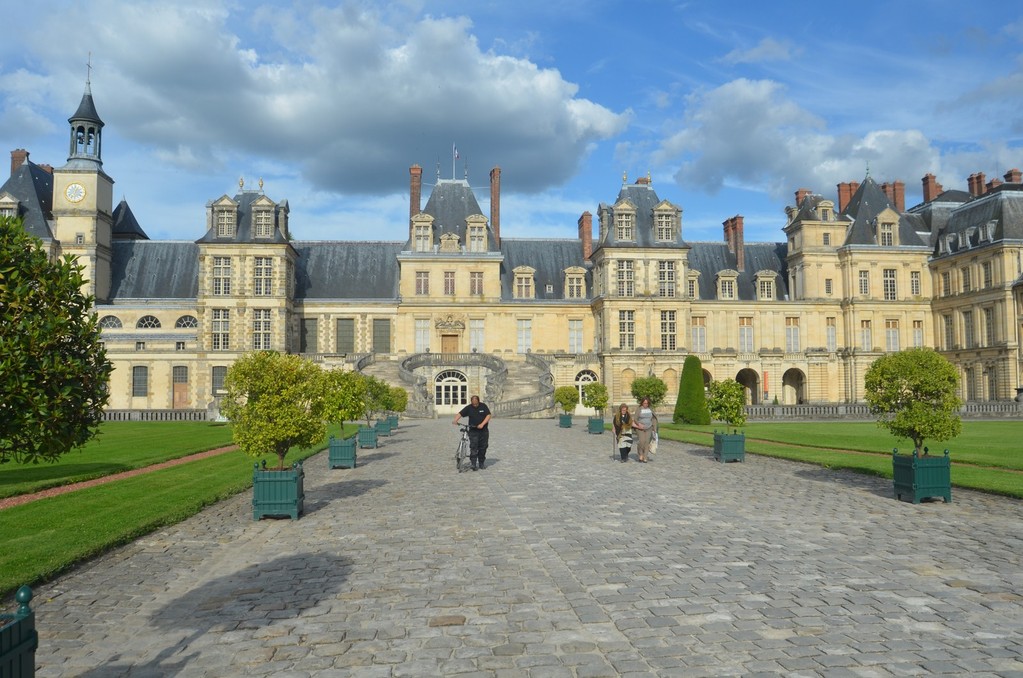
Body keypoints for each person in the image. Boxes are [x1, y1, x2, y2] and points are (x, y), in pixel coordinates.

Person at [453, 395, 492, 470]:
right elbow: (460, 414)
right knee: (473, 447)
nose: (475, 405)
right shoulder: (469, 407)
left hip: (483, 431)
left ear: (478, 401)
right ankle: (473, 464)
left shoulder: (483, 406)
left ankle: (481, 463)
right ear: (471, 402)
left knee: (483, 447)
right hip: (473, 430)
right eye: (473, 403)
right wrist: (455, 420)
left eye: (476, 403)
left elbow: (488, 415)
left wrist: (482, 424)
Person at [633, 396, 658, 463]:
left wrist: (654, 428)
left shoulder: (650, 409)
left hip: (649, 428)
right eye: (644, 403)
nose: (645, 404)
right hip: (640, 428)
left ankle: (645, 456)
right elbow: (635, 419)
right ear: (642, 403)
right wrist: (639, 424)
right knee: (641, 441)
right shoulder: (639, 409)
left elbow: (653, 418)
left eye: (647, 403)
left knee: (647, 442)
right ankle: (640, 454)